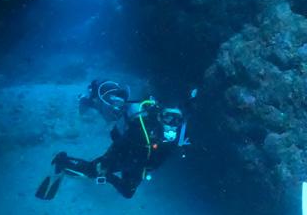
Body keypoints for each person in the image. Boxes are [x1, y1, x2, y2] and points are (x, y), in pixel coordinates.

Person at [35, 80, 193, 201]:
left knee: (128, 192)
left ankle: (106, 176)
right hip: (123, 155)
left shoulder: (178, 137)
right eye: (168, 117)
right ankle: (61, 161)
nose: (170, 124)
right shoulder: (142, 127)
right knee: (92, 171)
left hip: (140, 164)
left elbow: (163, 156)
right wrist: (105, 163)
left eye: (176, 120)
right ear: (159, 115)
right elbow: (120, 143)